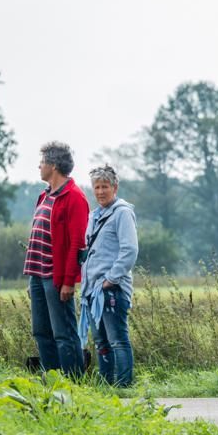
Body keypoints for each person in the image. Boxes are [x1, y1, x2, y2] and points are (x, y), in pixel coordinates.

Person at [24, 141, 89, 377]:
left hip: (57, 277)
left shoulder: (75, 197)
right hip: (37, 276)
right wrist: (31, 279)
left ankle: (73, 383)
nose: (38, 166)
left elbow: (77, 244)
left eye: (42, 162)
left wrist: (69, 281)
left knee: (64, 333)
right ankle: (52, 382)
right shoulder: (44, 195)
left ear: (53, 164)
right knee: (41, 331)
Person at [79, 165, 139, 387]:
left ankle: (123, 386)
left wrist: (110, 279)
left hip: (111, 288)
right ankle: (106, 386)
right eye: (97, 187)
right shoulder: (93, 216)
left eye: (105, 186)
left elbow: (130, 250)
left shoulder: (122, 213)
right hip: (93, 290)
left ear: (115, 188)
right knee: (101, 342)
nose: (101, 191)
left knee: (117, 340)